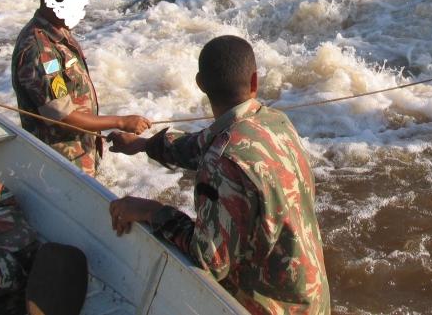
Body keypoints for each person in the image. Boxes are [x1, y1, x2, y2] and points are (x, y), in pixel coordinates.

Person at [108, 35, 331, 315]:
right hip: (312, 299)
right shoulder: (277, 122)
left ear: (200, 83)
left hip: (268, 308)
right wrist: (144, 145)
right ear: (254, 81)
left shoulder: (223, 161)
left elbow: (210, 260)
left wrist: (152, 211)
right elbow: (204, 143)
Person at [11, 0, 151, 176]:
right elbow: (63, 116)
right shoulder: (40, 50)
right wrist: (121, 121)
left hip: (76, 154)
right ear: (51, 3)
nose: (81, 13)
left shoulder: (59, 33)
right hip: (59, 163)